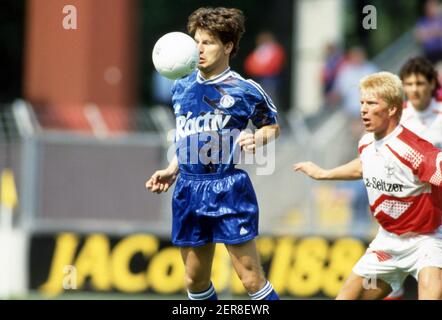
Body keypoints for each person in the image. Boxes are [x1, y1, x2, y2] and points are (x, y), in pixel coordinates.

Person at [145, 7, 280, 300]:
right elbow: (186, 138)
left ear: (228, 46)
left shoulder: (246, 90)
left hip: (227, 187)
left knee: (250, 279)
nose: (199, 48)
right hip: (188, 189)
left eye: (208, 42)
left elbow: (272, 127)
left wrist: (258, 138)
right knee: (194, 280)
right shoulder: (181, 87)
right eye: (196, 41)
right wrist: (172, 168)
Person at [294, 71, 442, 300]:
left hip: (427, 240)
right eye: (362, 102)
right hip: (387, 242)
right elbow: (364, 166)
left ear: (392, 109)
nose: (363, 109)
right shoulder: (366, 142)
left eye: (372, 103)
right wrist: (324, 174)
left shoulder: (414, 150)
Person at [244, 31, 286, 108]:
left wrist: (260, 69)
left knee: (271, 100)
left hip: (270, 80)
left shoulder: (275, 50)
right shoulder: (258, 51)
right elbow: (249, 65)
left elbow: (274, 65)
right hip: (258, 79)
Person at [415, 0, 442, 64]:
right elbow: (419, 37)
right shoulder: (422, 22)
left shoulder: (439, 19)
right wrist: (435, 32)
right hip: (430, 54)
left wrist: (428, 33)